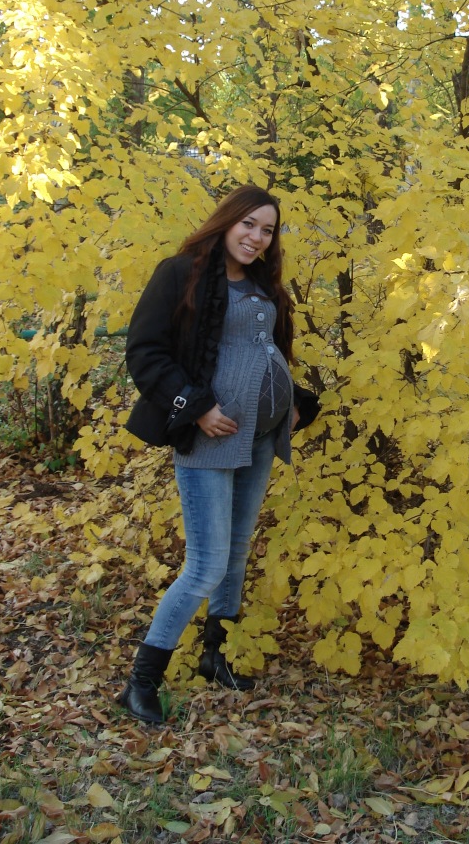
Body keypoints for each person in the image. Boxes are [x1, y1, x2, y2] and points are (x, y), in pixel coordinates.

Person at [117, 184, 319, 724]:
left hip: (261, 438)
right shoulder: (179, 273)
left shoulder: (263, 284)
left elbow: (267, 353)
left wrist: (293, 403)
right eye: (249, 224)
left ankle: (216, 656)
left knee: (236, 552)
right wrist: (196, 406)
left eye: (268, 230)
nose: (257, 237)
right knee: (206, 565)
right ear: (227, 221)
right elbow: (145, 352)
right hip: (209, 438)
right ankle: (141, 683)